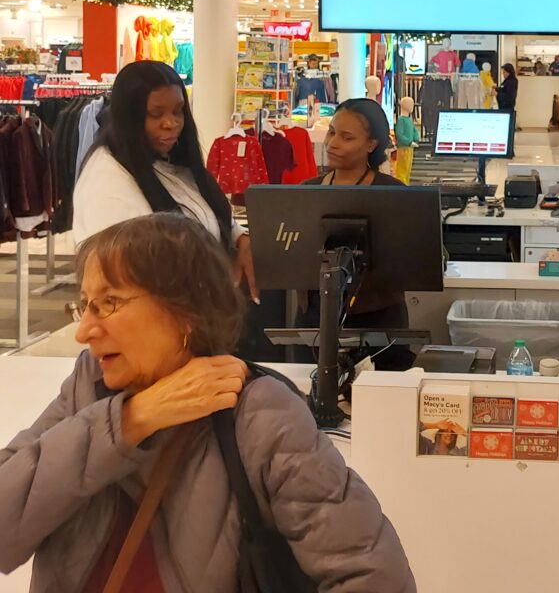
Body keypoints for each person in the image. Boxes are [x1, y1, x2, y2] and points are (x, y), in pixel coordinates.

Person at [0, 214, 414, 592]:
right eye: (85, 305)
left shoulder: (257, 413)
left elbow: (374, 576)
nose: (83, 331)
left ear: (185, 311)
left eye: (109, 303)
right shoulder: (88, 388)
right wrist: (129, 421)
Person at [73, 60, 256, 300]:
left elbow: (202, 213)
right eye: (156, 114)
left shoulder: (169, 162)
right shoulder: (108, 182)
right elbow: (123, 278)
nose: (171, 123)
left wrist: (240, 237)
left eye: (178, 111)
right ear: (130, 117)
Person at [304, 98, 407, 330]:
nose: (332, 144)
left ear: (371, 144)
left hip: (379, 320)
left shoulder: (393, 193)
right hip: (314, 317)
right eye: (331, 132)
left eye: (347, 138)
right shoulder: (305, 191)